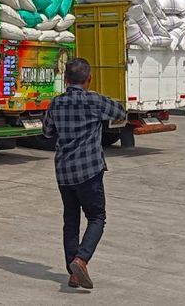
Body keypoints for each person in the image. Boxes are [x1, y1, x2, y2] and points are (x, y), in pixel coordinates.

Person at [42, 57, 125, 289]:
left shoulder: (56, 103)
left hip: (64, 172)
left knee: (71, 220)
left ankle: (74, 273)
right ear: (89, 79)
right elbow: (120, 112)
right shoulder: (94, 101)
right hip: (89, 170)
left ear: (66, 80)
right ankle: (81, 259)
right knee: (97, 217)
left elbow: (47, 131)